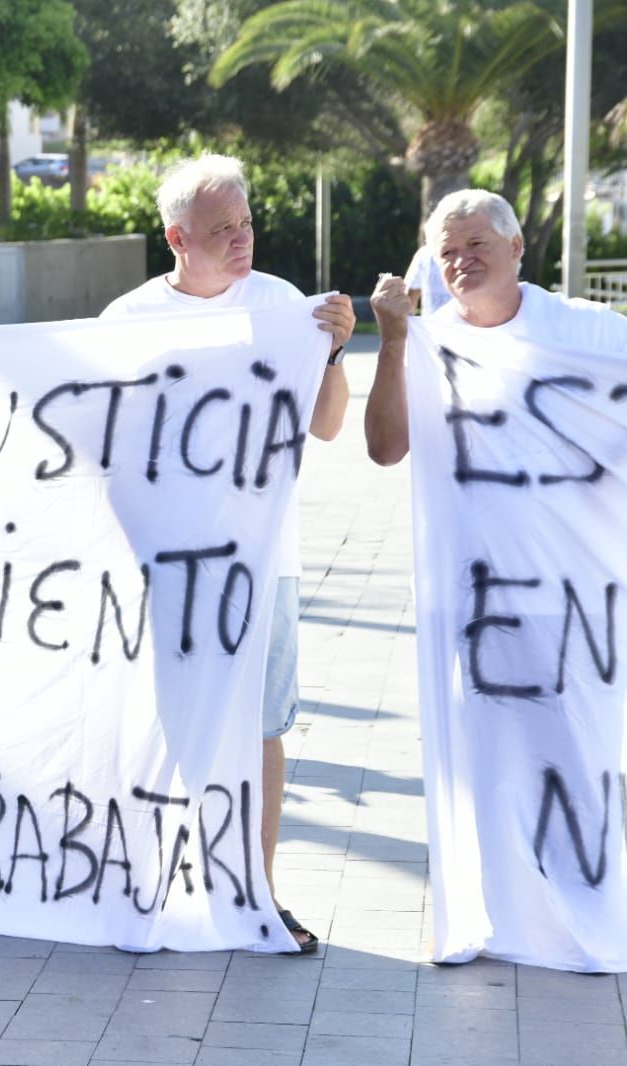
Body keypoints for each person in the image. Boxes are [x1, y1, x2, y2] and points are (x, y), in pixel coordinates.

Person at [100, 153, 355, 954]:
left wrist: (338, 353)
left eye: (246, 224)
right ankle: (150, 884)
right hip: (163, 567)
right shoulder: (127, 321)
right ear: (176, 237)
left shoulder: (280, 305)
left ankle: (259, 892)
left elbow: (325, 424)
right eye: (221, 231)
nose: (241, 241)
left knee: (260, 725)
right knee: (160, 720)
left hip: (262, 561)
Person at [367, 189, 627, 465]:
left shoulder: (590, 326)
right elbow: (385, 450)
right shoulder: (426, 346)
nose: (461, 261)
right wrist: (392, 343)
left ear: (515, 246)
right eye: (447, 252)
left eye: (476, 244)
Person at [404, 244, 452, 317]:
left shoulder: (467, 252)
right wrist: (409, 325)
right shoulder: (424, 254)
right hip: (430, 324)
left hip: (463, 326)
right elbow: (411, 295)